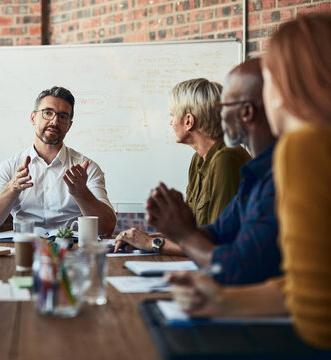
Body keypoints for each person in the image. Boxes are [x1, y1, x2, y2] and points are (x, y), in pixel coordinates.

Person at [167, 14, 331, 350]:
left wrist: (180, 236)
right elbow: (304, 283)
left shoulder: (304, 148)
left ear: (285, 88)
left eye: (270, 79)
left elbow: (319, 319)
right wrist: (224, 301)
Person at [143, 58, 281, 285]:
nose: (219, 115)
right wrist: (173, 229)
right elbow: (217, 231)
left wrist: (167, 239)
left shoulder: (240, 164)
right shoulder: (255, 173)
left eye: (224, 105)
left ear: (246, 112)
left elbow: (229, 259)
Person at [115, 78, 251, 254]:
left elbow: (219, 242)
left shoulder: (226, 160)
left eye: (172, 114)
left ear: (188, 121)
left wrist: (152, 243)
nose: (170, 122)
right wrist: (141, 238)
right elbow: (192, 233)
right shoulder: (198, 159)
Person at [0, 86, 117, 235]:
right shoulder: (9, 168)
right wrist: (12, 188)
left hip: (71, 249)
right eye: (48, 113)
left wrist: (82, 194)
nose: (54, 121)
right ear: (33, 118)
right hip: (25, 249)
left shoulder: (86, 169)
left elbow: (107, 228)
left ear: (69, 126)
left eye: (63, 116)